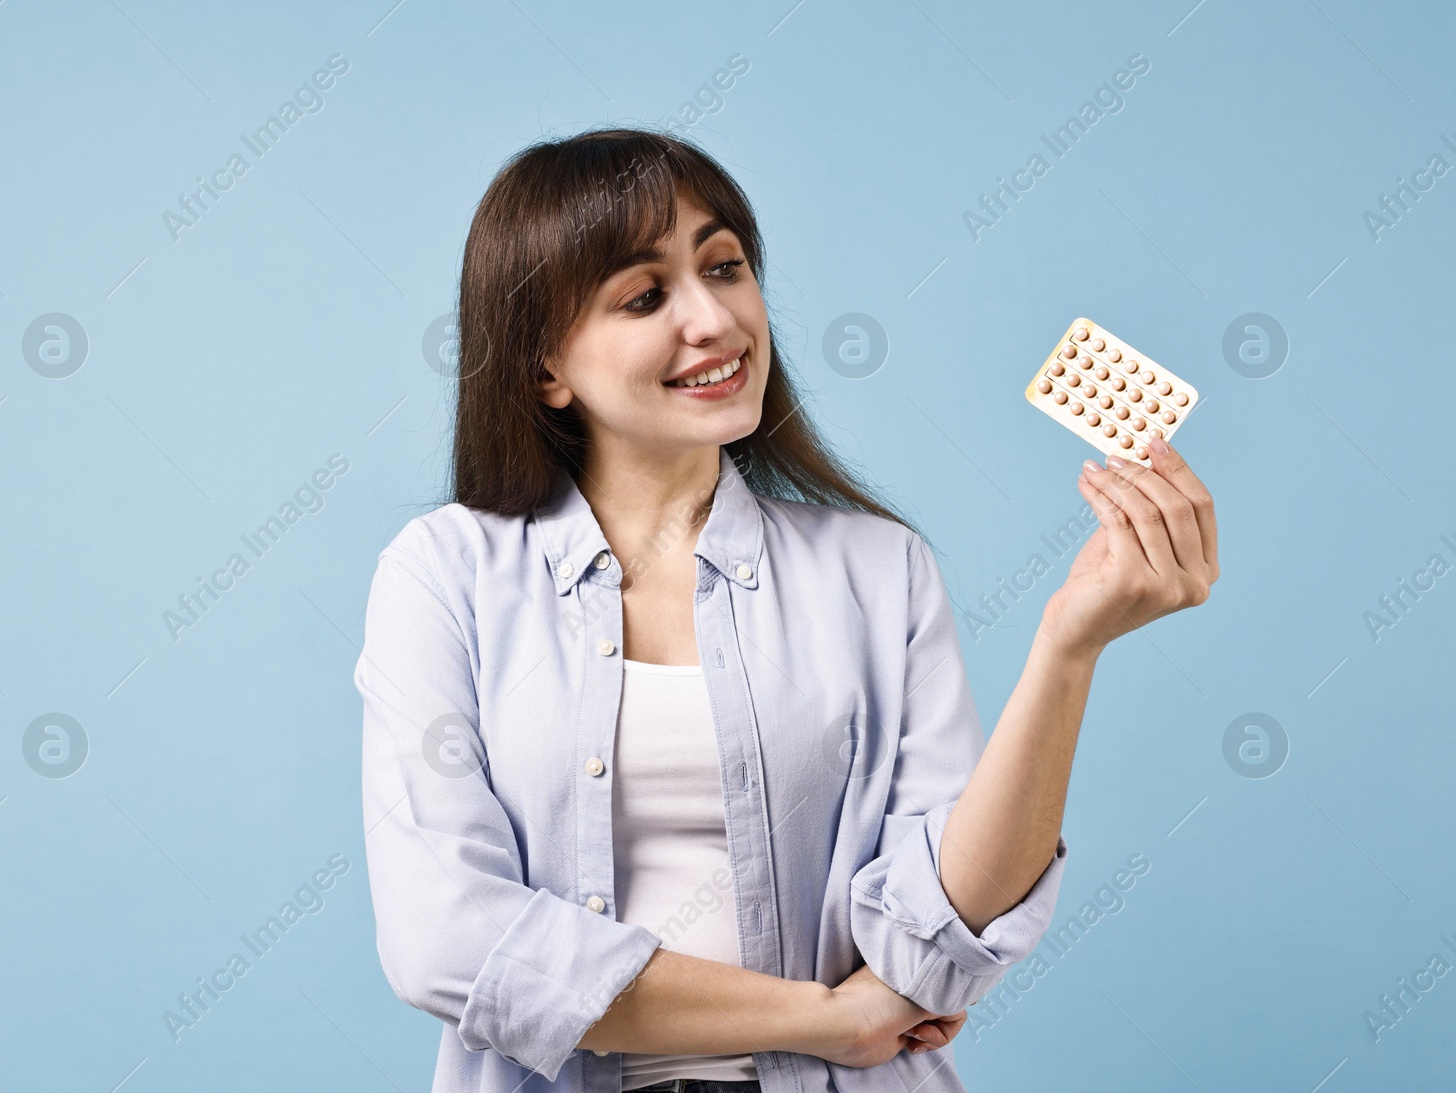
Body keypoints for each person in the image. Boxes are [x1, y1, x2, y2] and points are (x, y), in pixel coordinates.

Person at [356, 126, 1219, 1093]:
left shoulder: (878, 569)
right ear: (547, 368)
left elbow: (939, 939)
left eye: (725, 268)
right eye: (646, 296)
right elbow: (448, 936)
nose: (715, 320)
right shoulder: (445, 575)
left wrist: (1069, 645)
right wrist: (826, 1017)